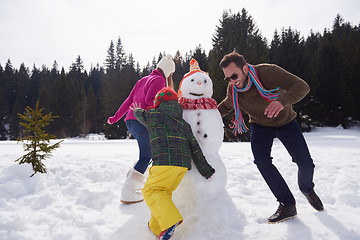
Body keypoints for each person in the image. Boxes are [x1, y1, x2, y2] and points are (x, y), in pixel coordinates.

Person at [217, 51, 323, 224]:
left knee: (305, 163)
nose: (232, 81)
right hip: (260, 126)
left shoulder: (267, 72)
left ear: (245, 68)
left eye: (234, 76)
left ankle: (307, 189)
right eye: (227, 78)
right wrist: (203, 115)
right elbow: (226, 105)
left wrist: (282, 101)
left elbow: (302, 86)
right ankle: (287, 204)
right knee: (261, 161)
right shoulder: (234, 89)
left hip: (286, 121)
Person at [133, 86, 215, 240]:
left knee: (151, 191)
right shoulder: (184, 124)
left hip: (164, 162)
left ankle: (170, 221)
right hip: (182, 166)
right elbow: (195, 148)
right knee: (163, 193)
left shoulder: (154, 115)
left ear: (158, 103)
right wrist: (206, 170)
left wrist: (137, 109)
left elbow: (139, 114)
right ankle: (156, 227)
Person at [107, 54, 175, 203]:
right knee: (146, 157)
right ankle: (129, 192)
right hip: (142, 121)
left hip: (131, 122)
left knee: (146, 155)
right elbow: (150, 100)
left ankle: (132, 183)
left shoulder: (143, 80)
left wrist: (115, 118)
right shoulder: (160, 80)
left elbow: (128, 101)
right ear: (168, 71)